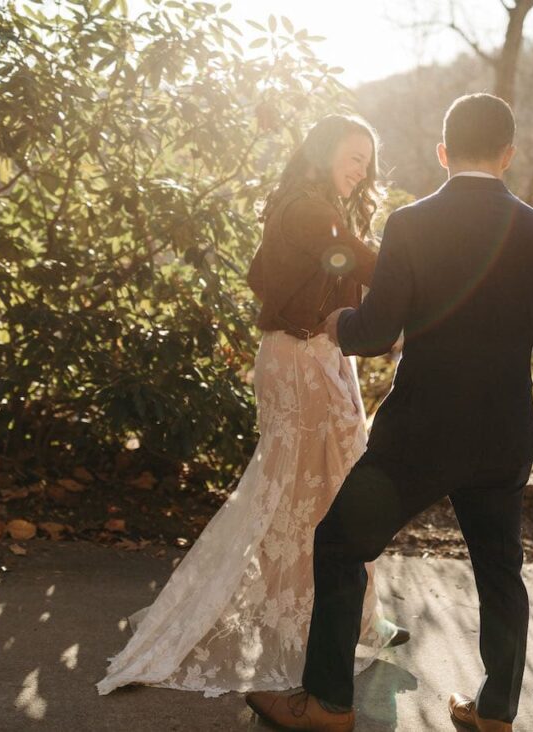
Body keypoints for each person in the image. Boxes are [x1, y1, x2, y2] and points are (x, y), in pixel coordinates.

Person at [245, 93, 533, 731]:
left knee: (340, 545)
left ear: (443, 153)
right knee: (501, 572)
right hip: (503, 437)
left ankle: (326, 705)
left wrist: (340, 322)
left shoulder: (412, 225)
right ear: (509, 155)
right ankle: (495, 714)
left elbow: (374, 331)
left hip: (418, 439)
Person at [96, 114, 408, 699]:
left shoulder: (316, 207)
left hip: (317, 356)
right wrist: (426, 265)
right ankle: (300, 619)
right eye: (353, 154)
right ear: (323, 153)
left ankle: (353, 615)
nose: (361, 167)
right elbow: (364, 263)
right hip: (298, 360)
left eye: (368, 159)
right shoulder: (308, 210)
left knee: (327, 483)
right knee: (306, 487)